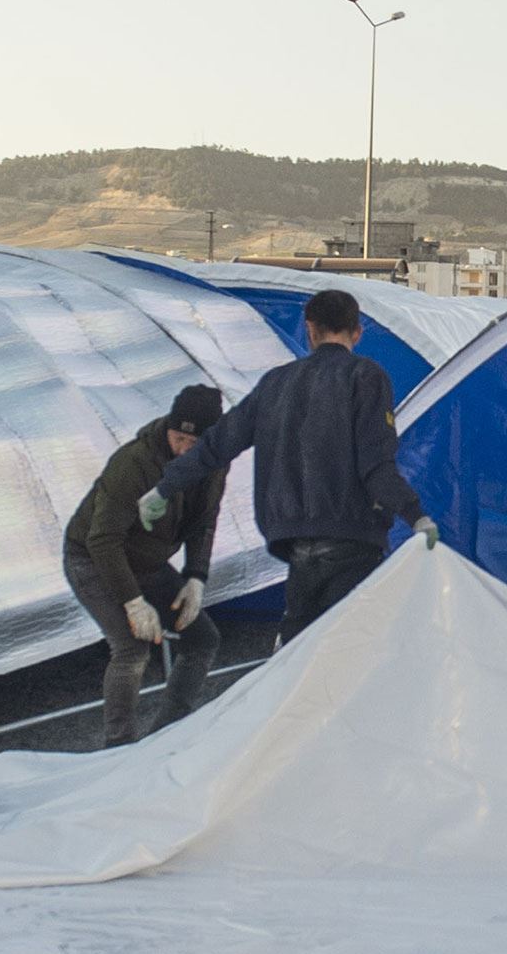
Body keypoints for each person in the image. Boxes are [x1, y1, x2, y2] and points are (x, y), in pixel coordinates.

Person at [143, 286, 434, 636]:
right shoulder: (365, 377)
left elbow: (217, 444)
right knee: (346, 651)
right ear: (357, 332)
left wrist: (162, 489)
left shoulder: (275, 383)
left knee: (299, 654)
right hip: (353, 541)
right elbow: (375, 464)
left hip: (295, 547)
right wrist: (415, 515)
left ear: (309, 328)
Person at [67, 383, 231, 746]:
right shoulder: (134, 463)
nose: (184, 450)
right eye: (177, 439)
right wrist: (132, 601)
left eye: (194, 444)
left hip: (148, 559)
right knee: (132, 646)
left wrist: (195, 576)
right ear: (168, 429)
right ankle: (118, 747)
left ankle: (167, 734)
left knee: (203, 638)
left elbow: (205, 520)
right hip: (93, 559)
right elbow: (103, 540)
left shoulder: (215, 462)